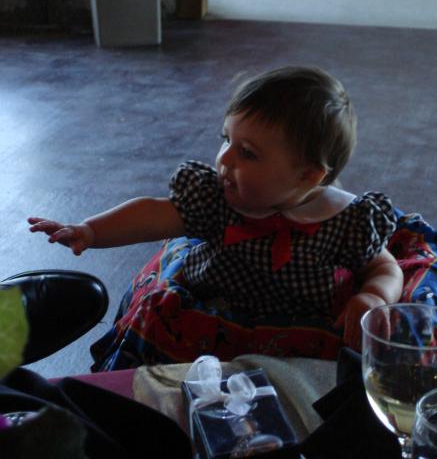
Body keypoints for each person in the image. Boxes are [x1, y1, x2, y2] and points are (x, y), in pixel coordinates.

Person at [28, 66, 403, 367]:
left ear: (308, 176)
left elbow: (385, 267)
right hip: (209, 313)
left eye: (248, 153)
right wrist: (90, 231)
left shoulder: (342, 222)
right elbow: (153, 213)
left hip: (298, 333)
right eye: (226, 139)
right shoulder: (217, 200)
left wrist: (374, 296)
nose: (224, 159)